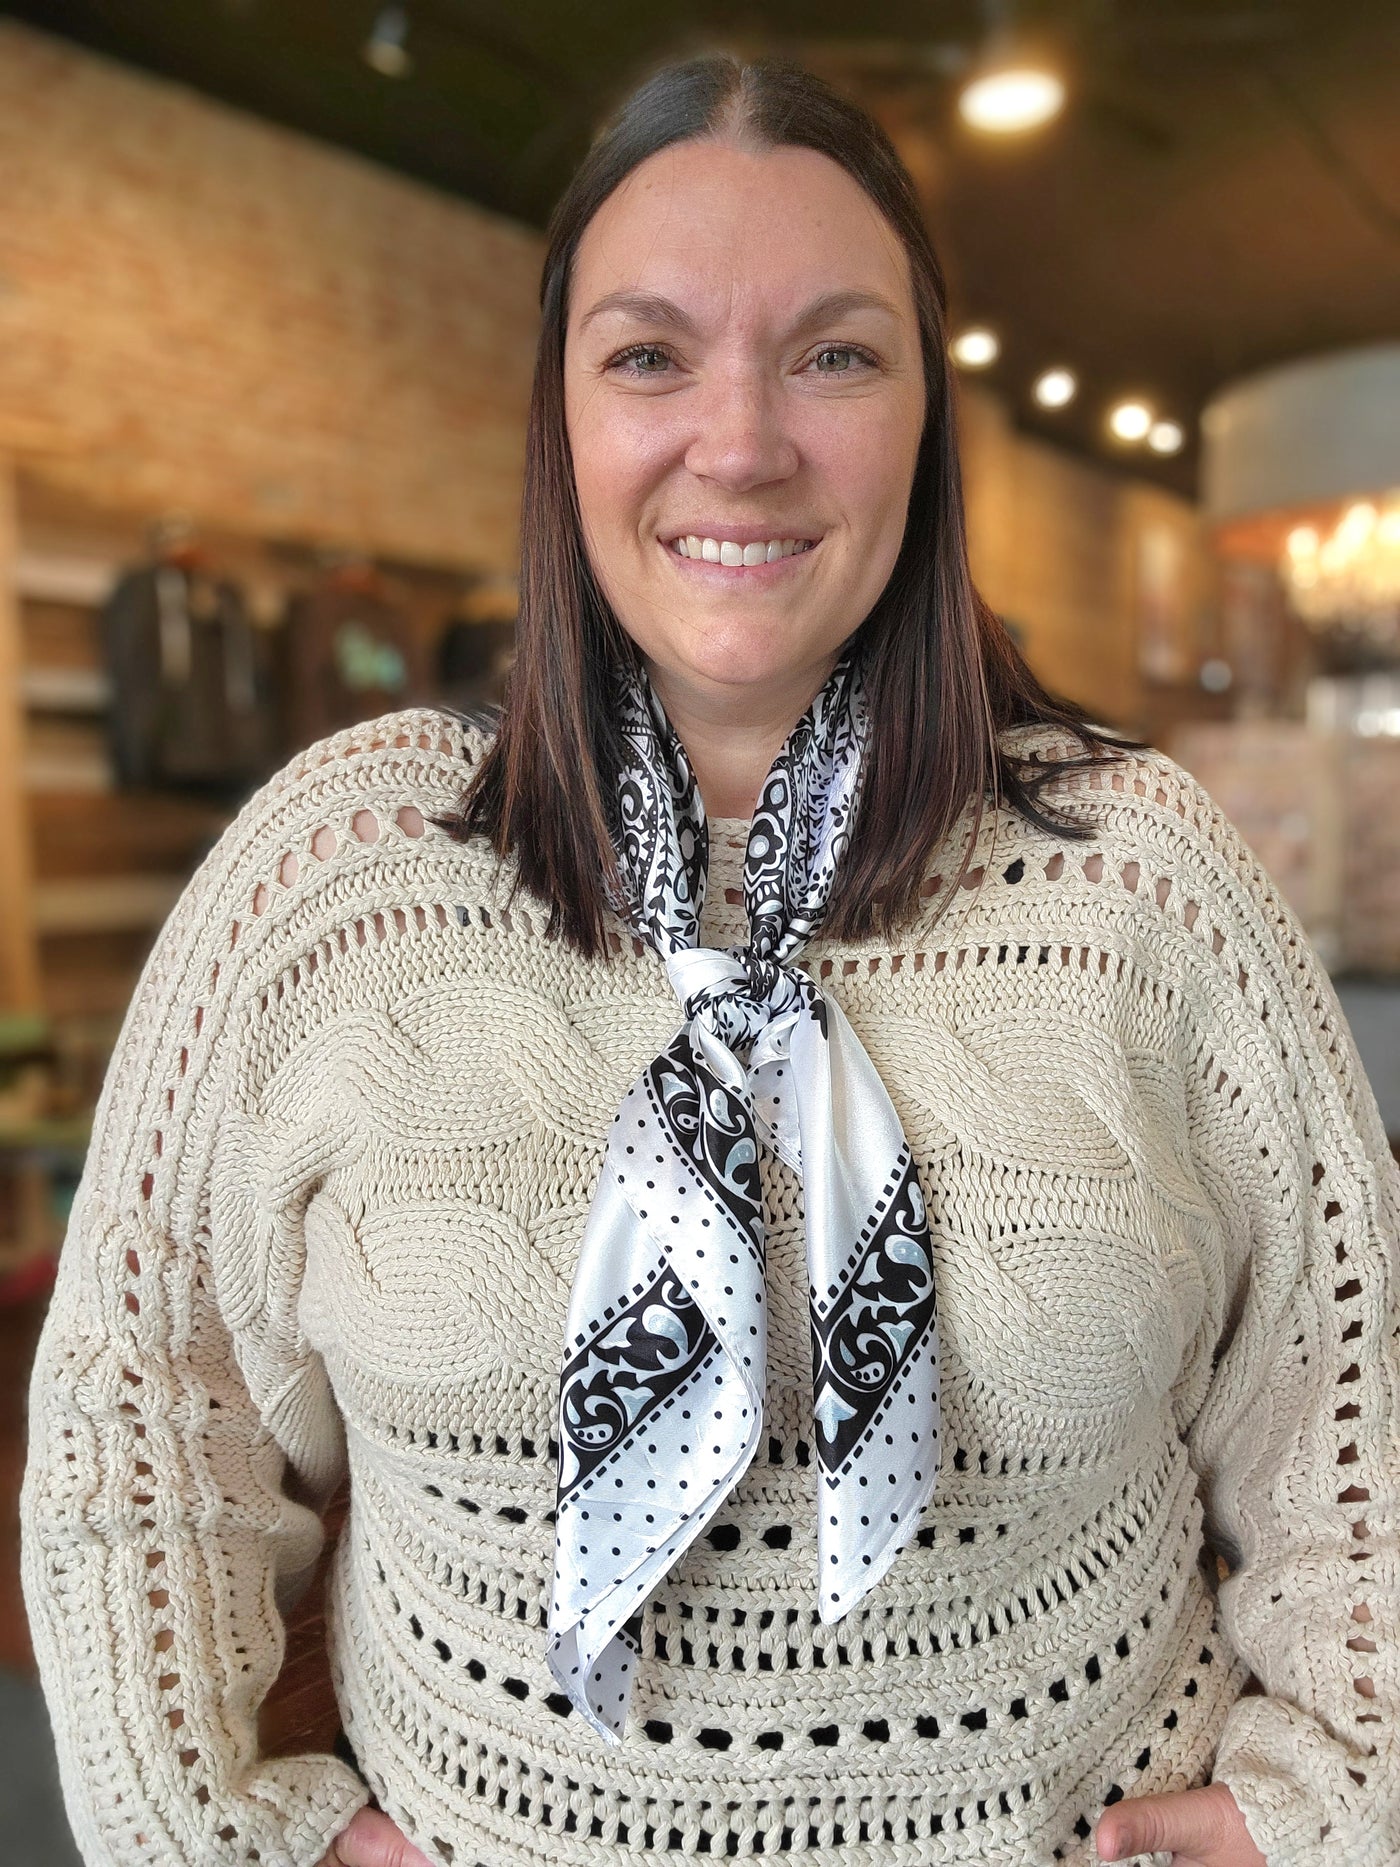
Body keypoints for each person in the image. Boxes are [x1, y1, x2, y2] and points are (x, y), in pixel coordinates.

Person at [22, 53, 1397, 1867]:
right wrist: (230, 1838)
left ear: (926, 419)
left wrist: (1326, 1813)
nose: (739, 440)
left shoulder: (1145, 886)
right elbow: (136, 1456)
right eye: (650, 354)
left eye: (835, 353)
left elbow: (1359, 1427)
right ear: (562, 419)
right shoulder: (331, 886)